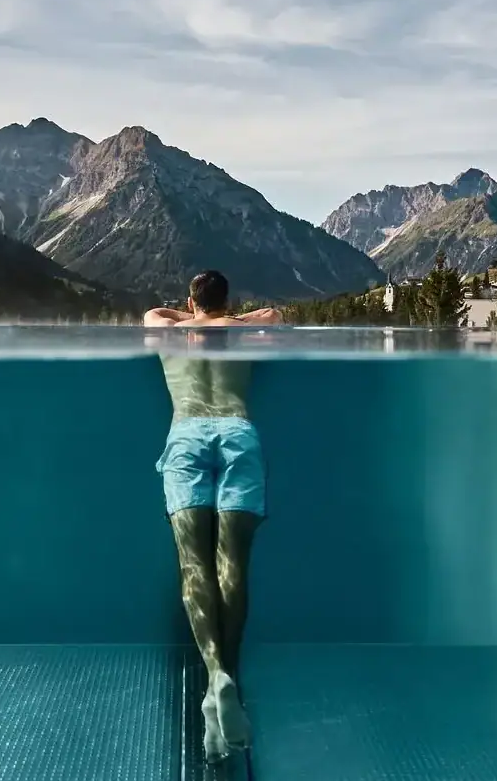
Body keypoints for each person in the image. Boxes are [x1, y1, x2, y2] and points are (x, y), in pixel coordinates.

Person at [144, 271, 283, 762]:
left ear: (189, 299)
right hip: (237, 429)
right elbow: (274, 316)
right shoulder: (244, 326)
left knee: (193, 564)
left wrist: (198, 317)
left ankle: (214, 677)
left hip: (186, 433)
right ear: (230, 299)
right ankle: (229, 683)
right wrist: (227, 318)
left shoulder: (165, 324)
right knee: (233, 564)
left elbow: (153, 315)